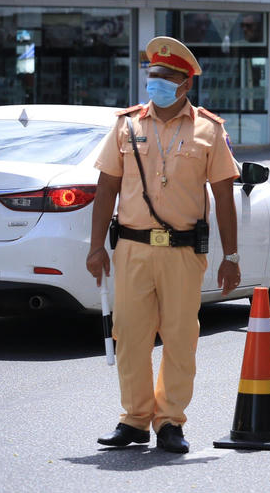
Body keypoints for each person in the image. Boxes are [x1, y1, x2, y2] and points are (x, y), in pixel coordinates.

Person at [86, 36, 241, 454]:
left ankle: (170, 420)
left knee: (179, 338)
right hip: (132, 248)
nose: (155, 83)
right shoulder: (127, 125)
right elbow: (106, 187)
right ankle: (134, 419)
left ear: (185, 84)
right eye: (152, 75)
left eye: (165, 77)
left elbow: (224, 195)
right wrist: (96, 247)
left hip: (183, 252)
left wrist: (231, 256)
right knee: (129, 335)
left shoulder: (209, 129)